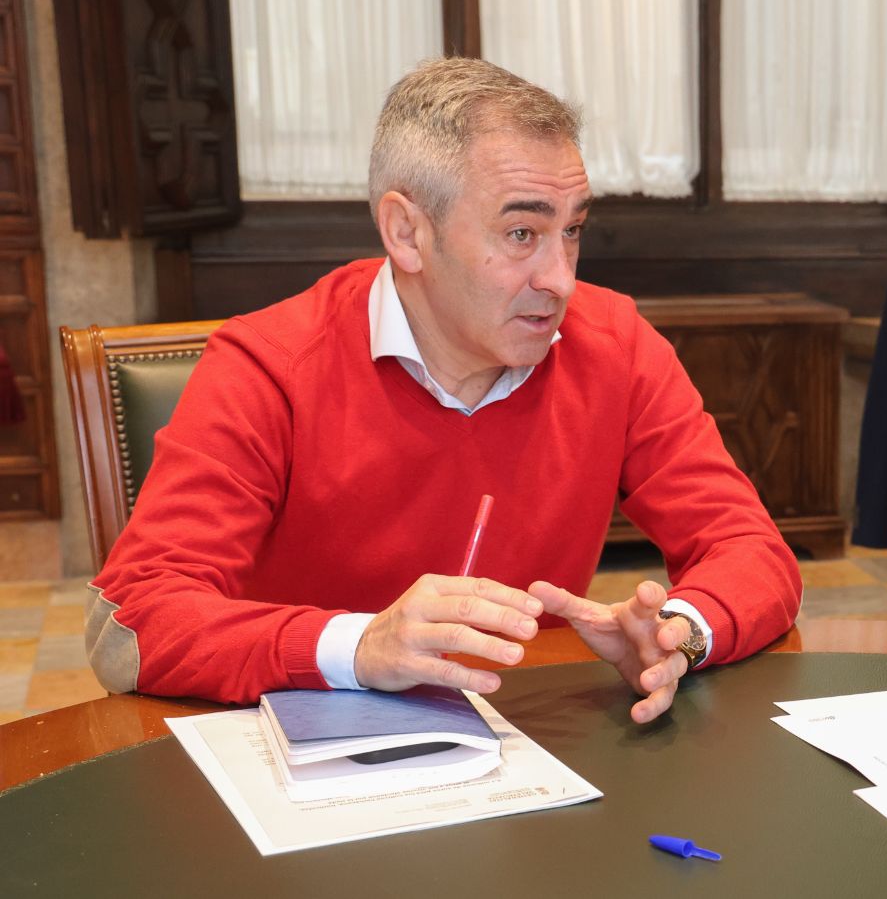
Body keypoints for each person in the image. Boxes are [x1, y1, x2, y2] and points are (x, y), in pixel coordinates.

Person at [87, 58, 802, 720]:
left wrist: (683, 633)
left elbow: (750, 550)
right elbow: (132, 618)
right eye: (522, 233)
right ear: (406, 232)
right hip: (308, 759)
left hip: (530, 749)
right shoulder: (269, 366)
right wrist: (361, 644)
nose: (560, 278)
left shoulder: (615, 347)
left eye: (573, 231)